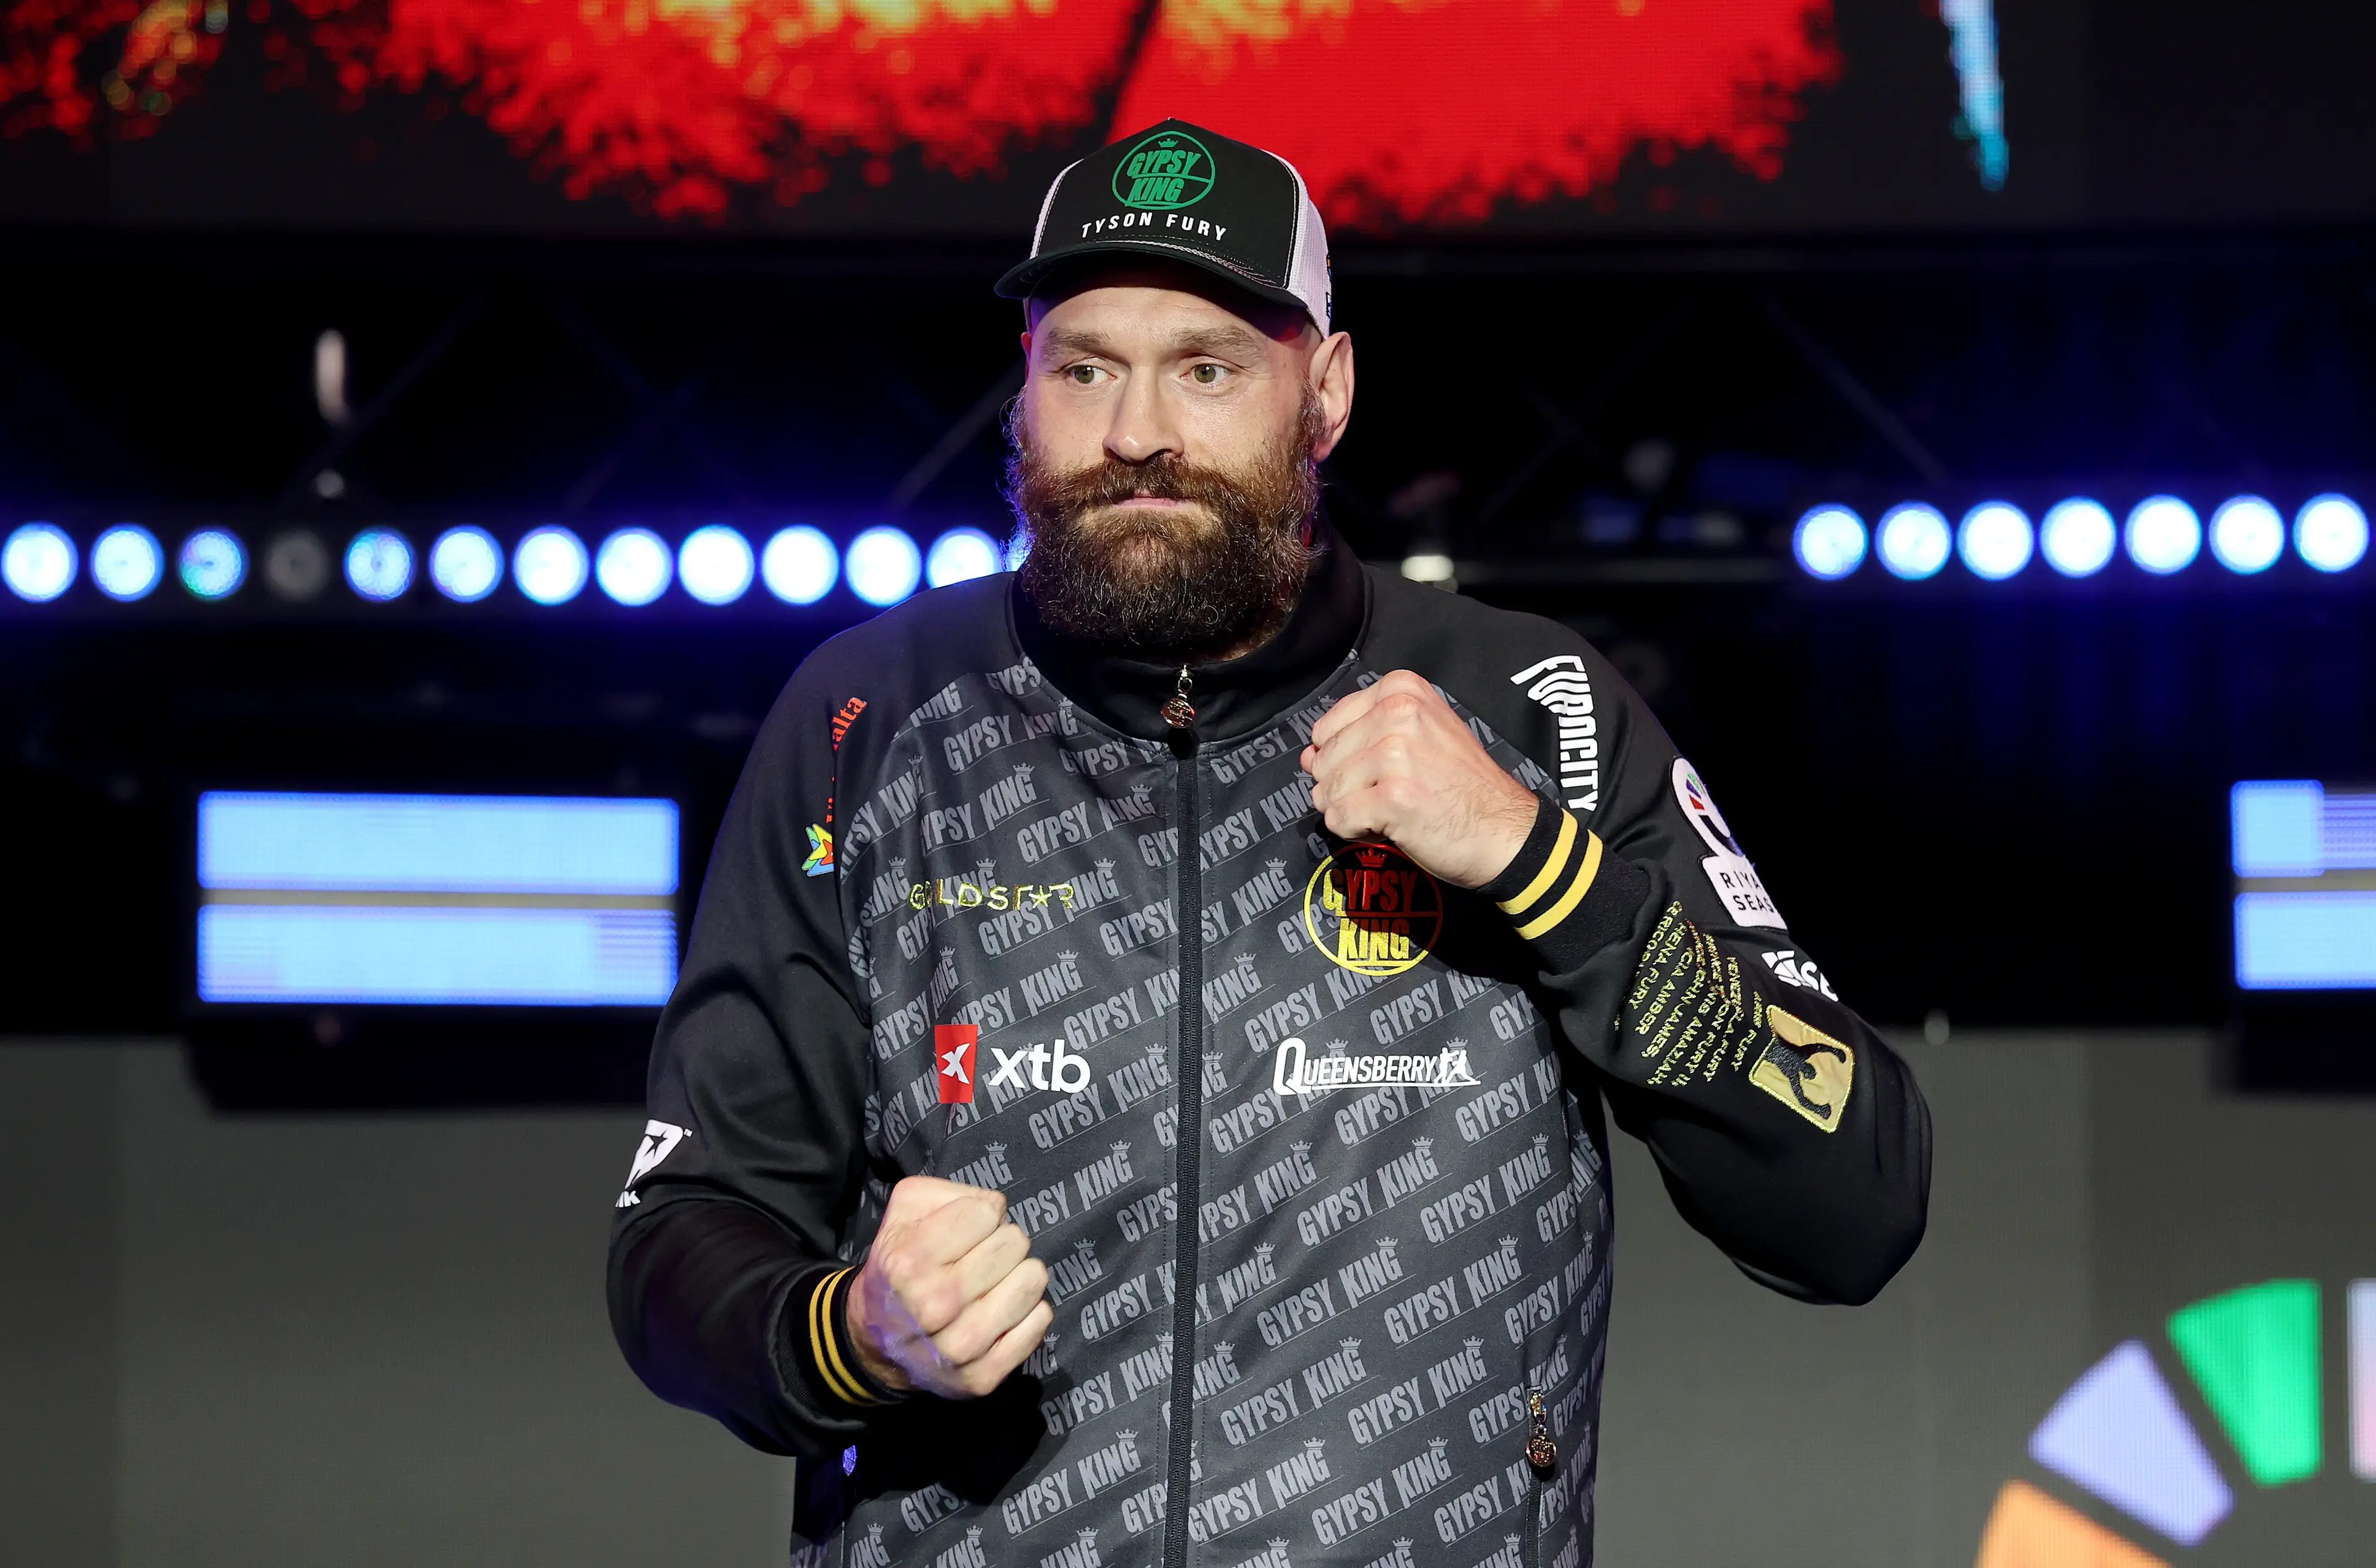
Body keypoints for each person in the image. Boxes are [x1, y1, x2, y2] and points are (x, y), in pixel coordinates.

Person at [608, 119, 1930, 1568]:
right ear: (1026, 393)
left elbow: (1852, 1197)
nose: (1135, 434)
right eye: (1085, 366)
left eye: (1209, 367)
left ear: (1328, 394)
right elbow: (682, 1240)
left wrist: (1538, 864)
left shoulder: (1534, 708)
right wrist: (850, 1331)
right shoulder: (871, 719)